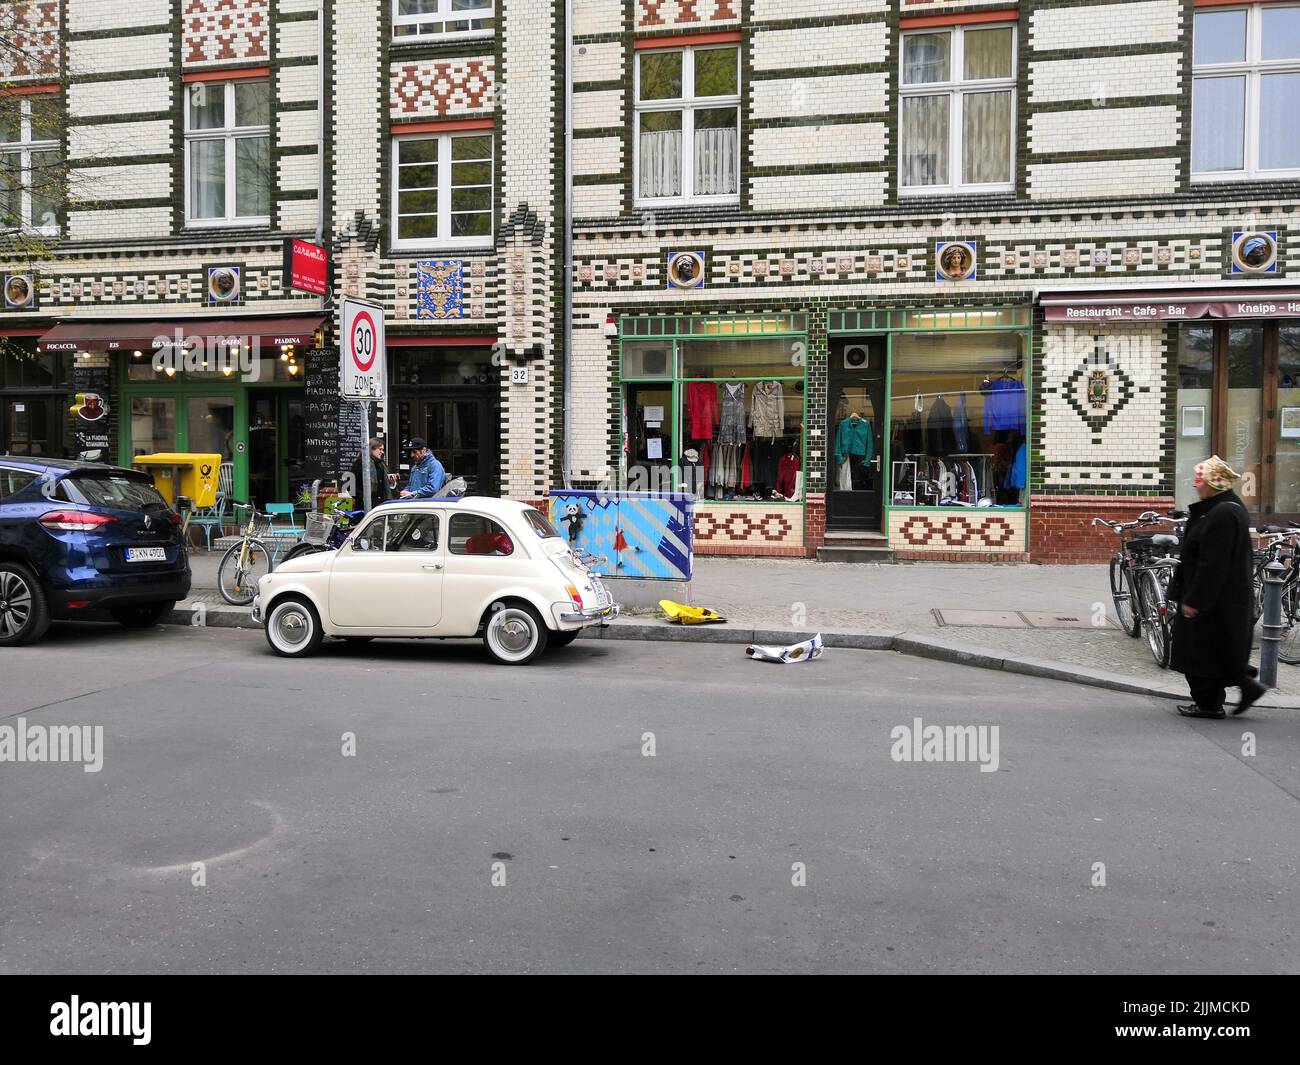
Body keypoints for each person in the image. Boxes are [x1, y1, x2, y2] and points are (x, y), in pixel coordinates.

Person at [1169, 456, 1266, 719]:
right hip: (1223, 599)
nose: (1195, 485)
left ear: (1214, 483)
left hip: (1213, 600)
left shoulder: (1222, 512)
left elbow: (1212, 563)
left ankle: (1209, 704)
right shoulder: (1225, 508)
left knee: (1200, 652)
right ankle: (1243, 685)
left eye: (1199, 480)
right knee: (1216, 650)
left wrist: (1194, 600)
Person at [350, 437, 391, 510]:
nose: (382, 452)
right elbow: (349, 484)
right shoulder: (361, 463)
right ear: (371, 449)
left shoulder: (381, 465)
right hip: (364, 506)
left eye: (383, 450)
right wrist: (362, 497)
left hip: (379, 506)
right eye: (380, 449)